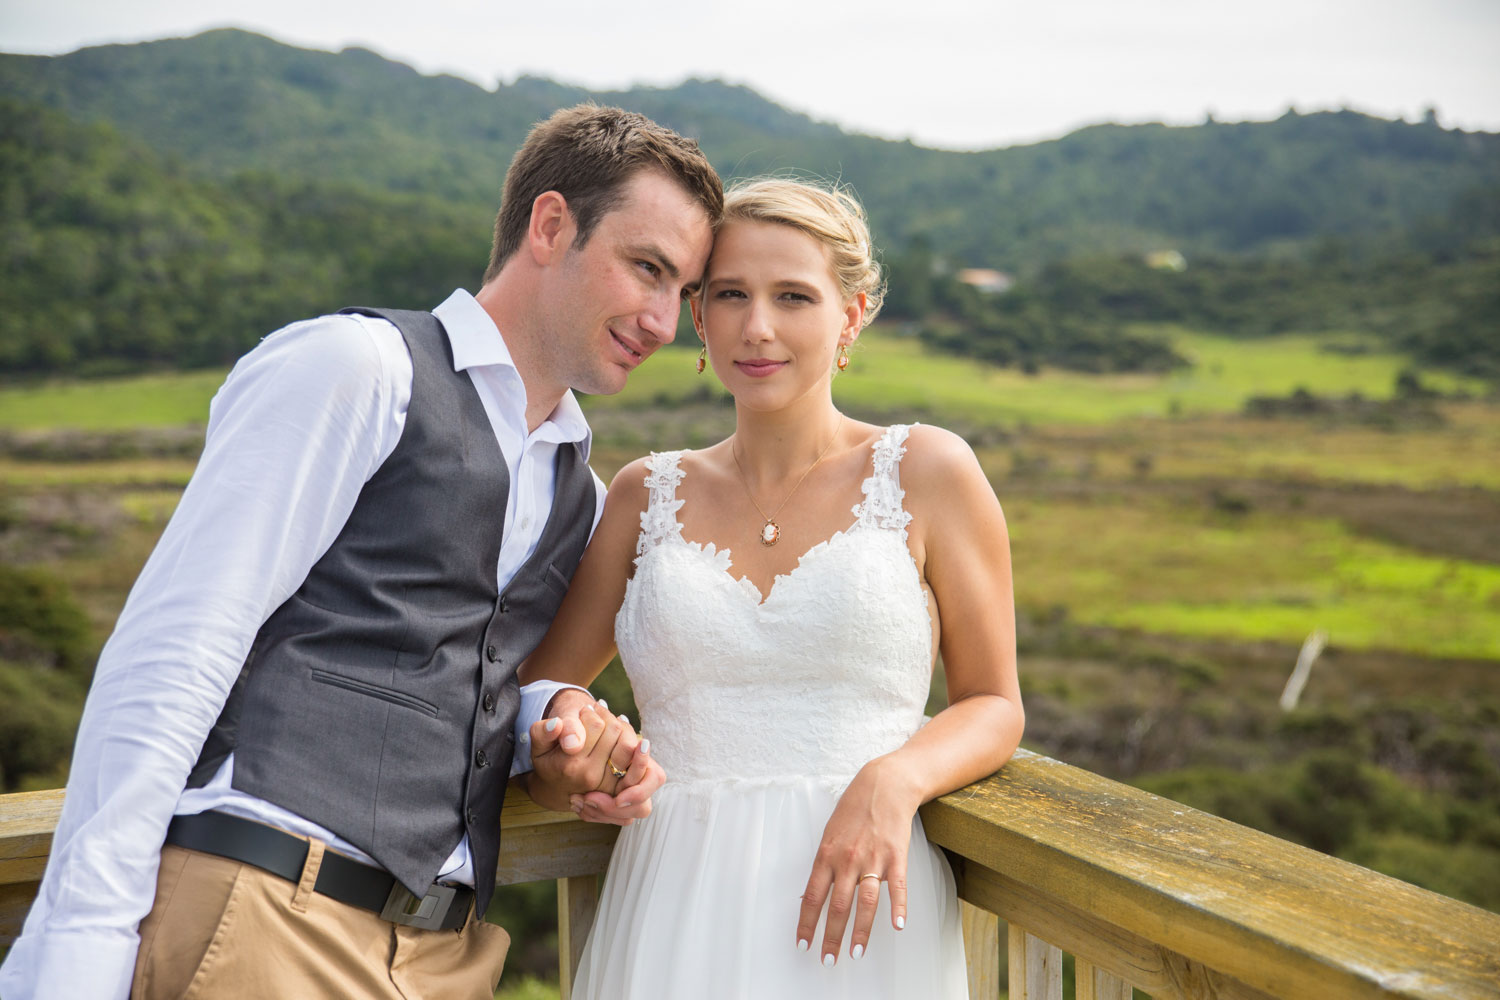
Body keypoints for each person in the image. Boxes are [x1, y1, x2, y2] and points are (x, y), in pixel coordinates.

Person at [0, 104, 722, 1000]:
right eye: (646, 268)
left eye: (682, 291)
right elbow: (176, 650)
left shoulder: (575, 484)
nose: (662, 320)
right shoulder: (358, 366)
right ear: (549, 225)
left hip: (444, 957)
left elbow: (463, 664)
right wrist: (78, 952)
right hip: (266, 910)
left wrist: (554, 725)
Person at [518, 178, 1025, 997]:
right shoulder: (645, 495)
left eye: (794, 296)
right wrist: (573, 753)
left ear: (850, 315)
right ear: (699, 317)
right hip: (674, 901)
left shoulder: (929, 471)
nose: (758, 328)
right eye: (730, 295)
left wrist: (895, 779)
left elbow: (994, 703)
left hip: (859, 898)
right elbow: (542, 697)